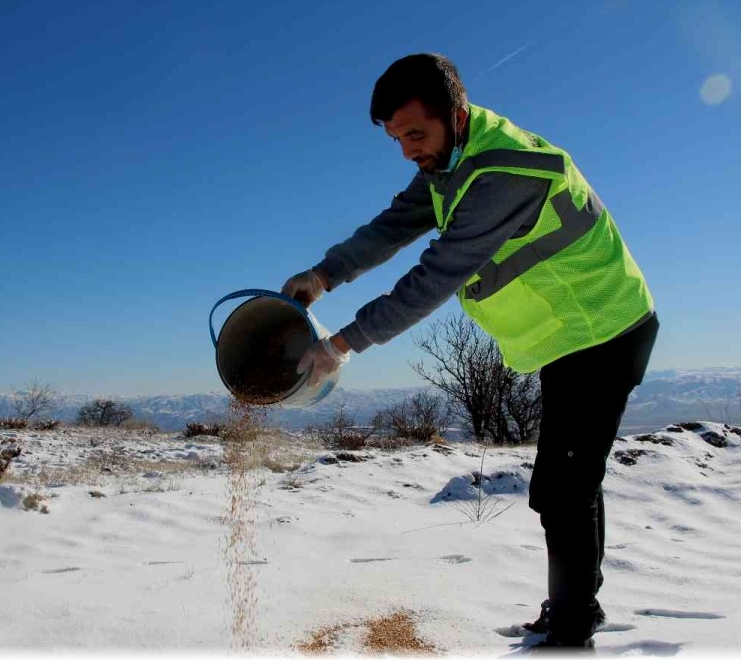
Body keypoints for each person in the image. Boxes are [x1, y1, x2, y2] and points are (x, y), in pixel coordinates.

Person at [281, 53, 659, 651]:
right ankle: (576, 603)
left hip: (603, 329)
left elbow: (435, 277)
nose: (407, 151)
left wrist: (341, 344)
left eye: (415, 134)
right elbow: (394, 225)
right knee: (573, 482)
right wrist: (324, 275)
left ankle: (571, 633)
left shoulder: (502, 172)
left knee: (562, 491)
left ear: (455, 117)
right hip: (570, 334)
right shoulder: (450, 159)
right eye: (396, 139)